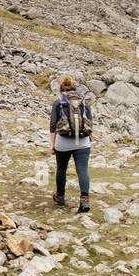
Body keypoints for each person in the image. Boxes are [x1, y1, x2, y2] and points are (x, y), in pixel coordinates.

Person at [49, 76, 92, 213]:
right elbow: (89, 121)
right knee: (82, 170)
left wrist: (52, 144)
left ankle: (60, 197)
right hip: (83, 141)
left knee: (62, 169)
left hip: (63, 142)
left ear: (61, 91)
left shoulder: (58, 103)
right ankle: (84, 199)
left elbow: (52, 125)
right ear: (74, 90)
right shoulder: (83, 102)